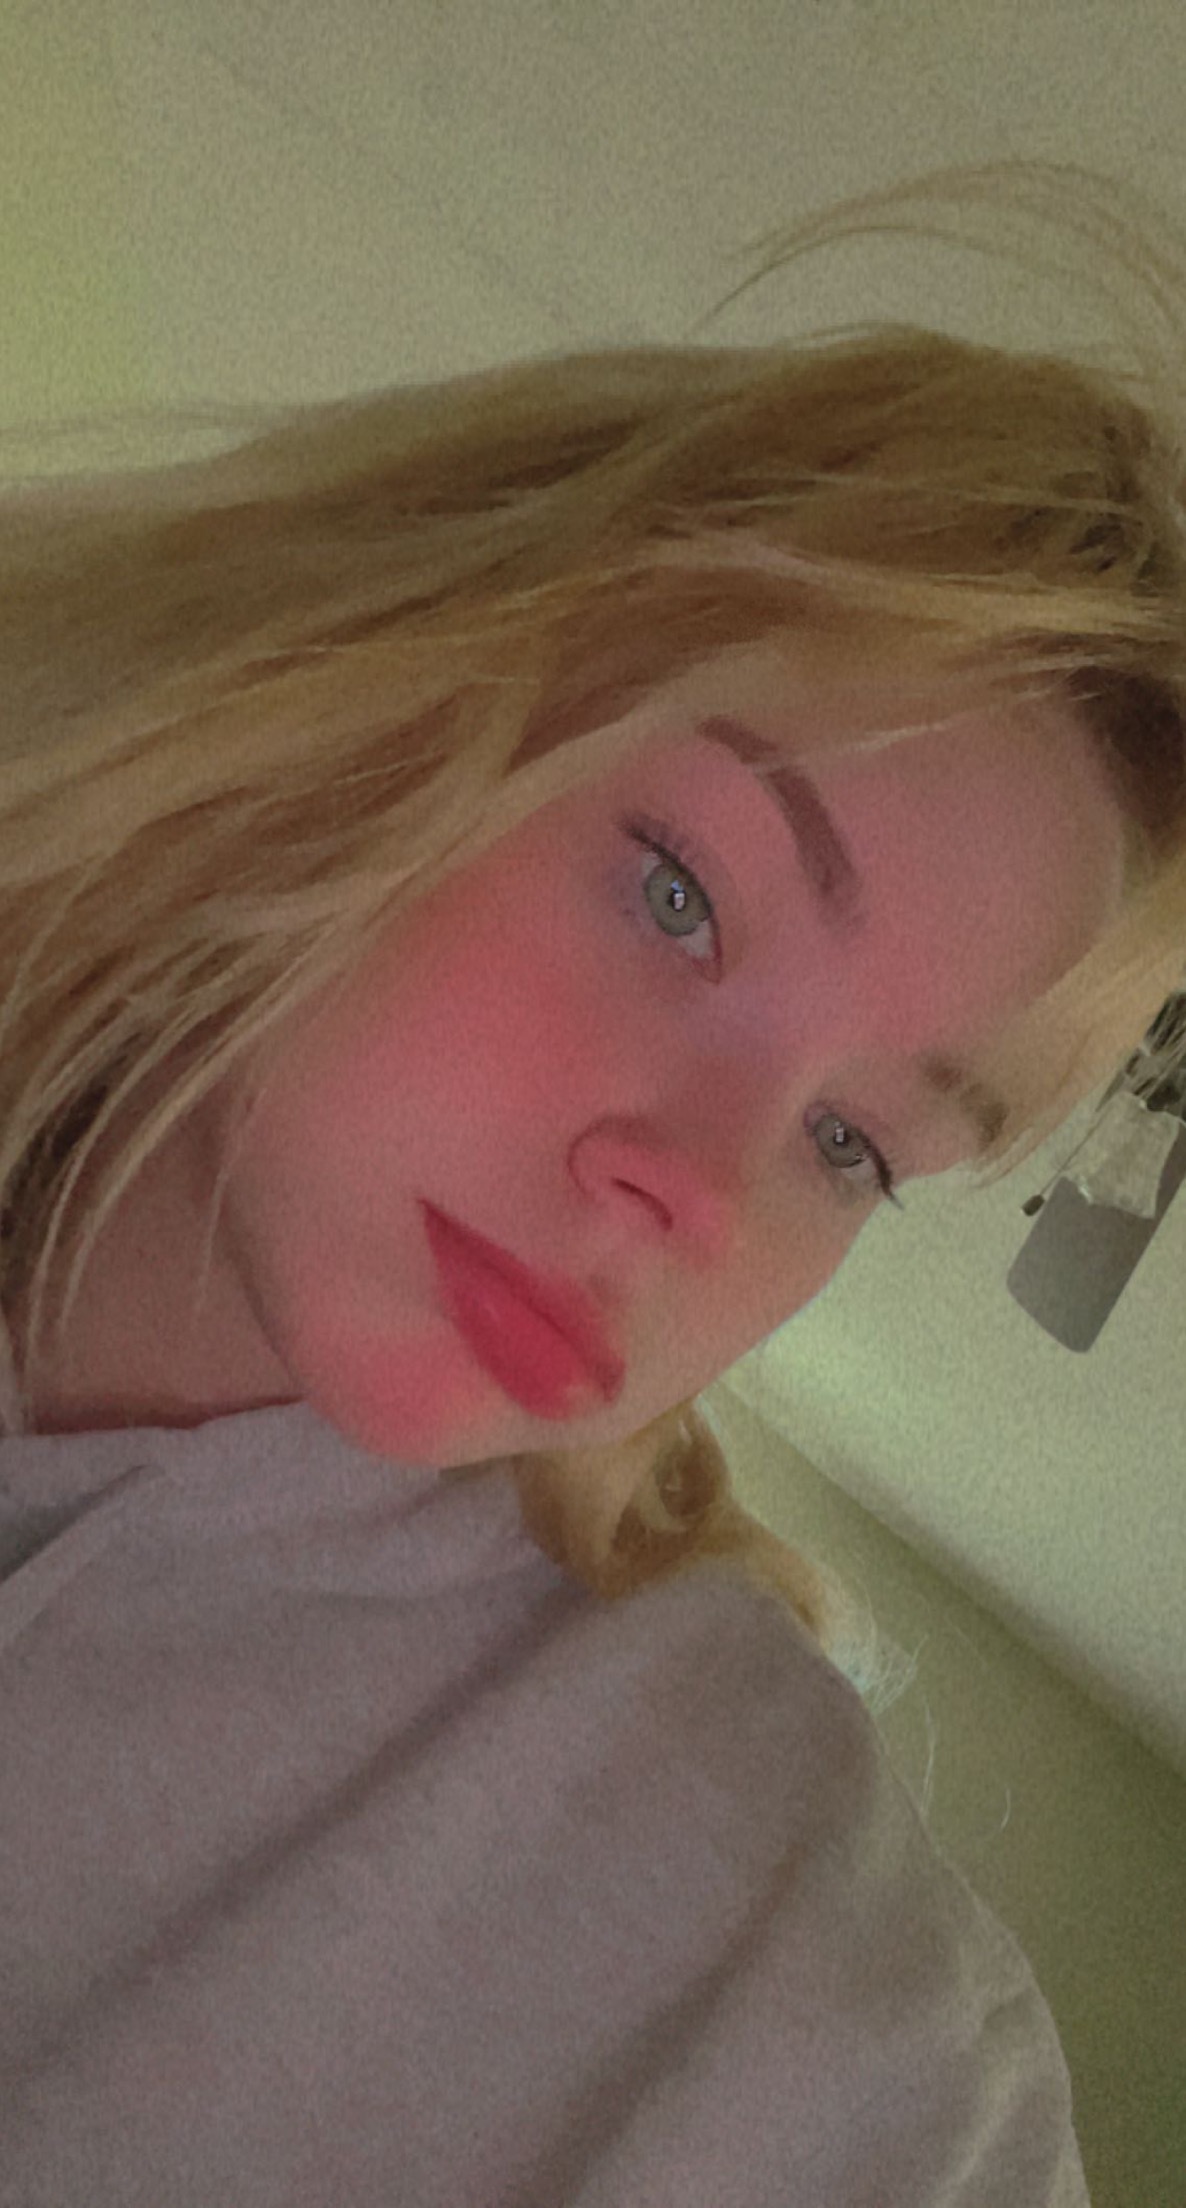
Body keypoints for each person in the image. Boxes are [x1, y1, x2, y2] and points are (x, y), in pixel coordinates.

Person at [1, 161, 1184, 2205]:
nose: (694, 1197)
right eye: (680, 895)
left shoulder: (806, 2021)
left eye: (851, 1145)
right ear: (383, 688)